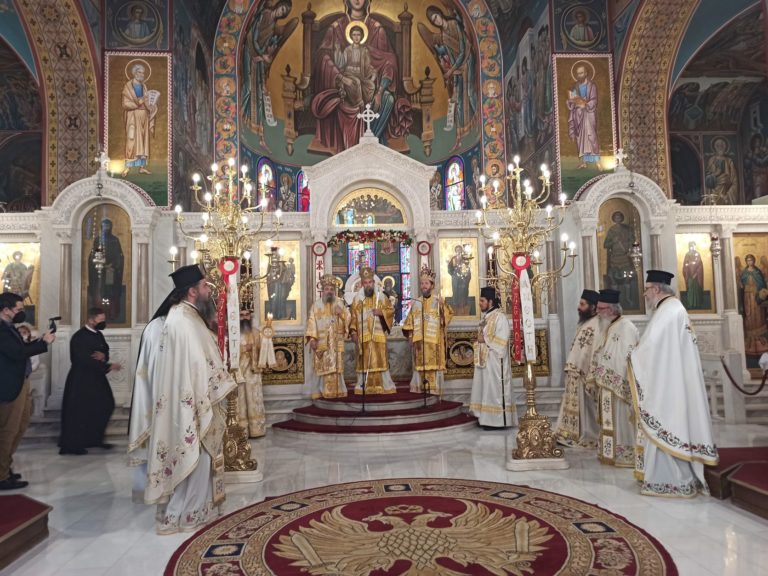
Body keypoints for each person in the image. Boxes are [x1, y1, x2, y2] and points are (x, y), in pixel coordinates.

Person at [128, 264, 236, 533]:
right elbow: (200, 364)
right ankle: (187, 514)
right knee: (195, 457)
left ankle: (184, 513)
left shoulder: (183, 317)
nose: (209, 290)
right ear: (192, 291)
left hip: (183, 401)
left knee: (190, 457)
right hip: (191, 402)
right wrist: (223, 382)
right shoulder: (184, 321)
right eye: (204, 286)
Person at [629, 270, 719, 497]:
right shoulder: (673, 308)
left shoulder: (668, 311)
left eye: (646, 289)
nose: (644, 295)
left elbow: (650, 347)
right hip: (673, 378)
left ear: (656, 289)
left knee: (667, 420)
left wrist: (631, 356)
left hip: (668, 383)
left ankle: (673, 480)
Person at [0, 292, 54, 490]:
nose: (22, 312)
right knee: (8, 430)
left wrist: (40, 341)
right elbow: (17, 353)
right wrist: (43, 343)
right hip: (9, 386)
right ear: (6, 310)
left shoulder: (9, 327)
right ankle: (1, 476)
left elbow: (21, 348)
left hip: (20, 382)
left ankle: (5, 467)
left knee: (20, 426)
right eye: (19, 309)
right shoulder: (1, 329)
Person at [59, 307, 121, 455]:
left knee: (105, 405)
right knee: (80, 411)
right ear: (91, 320)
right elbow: (82, 359)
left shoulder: (98, 334)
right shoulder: (79, 337)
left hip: (97, 378)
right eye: (100, 320)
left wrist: (104, 357)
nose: (103, 322)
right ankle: (73, 445)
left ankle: (94, 439)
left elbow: (104, 350)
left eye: (104, 319)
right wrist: (107, 366)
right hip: (81, 379)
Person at [590, 289, 638, 468]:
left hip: (620, 388)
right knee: (609, 421)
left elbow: (626, 358)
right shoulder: (607, 326)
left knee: (622, 422)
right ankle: (608, 452)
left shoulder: (627, 327)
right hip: (607, 386)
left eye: (600, 309)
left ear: (611, 310)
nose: (597, 312)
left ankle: (625, 455)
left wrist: (612, 377)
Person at [554, 289, 601, 447]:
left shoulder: (597, 325)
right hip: (574, 371)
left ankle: (584, 434)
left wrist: (585, 370)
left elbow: (593, 351)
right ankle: (570, 433)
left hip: (582, 372)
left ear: (593, 307)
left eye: (582, 304)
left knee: (585, 409)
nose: (578, 307)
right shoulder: (586, 323)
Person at [469, 286, 516, 429]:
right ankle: (485, 418)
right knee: (486, 390)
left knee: (494, 390)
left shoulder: (500, 317)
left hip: (496, 362)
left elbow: (502, 339)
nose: (480, 303)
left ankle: (497, 422)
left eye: (482, 301)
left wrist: (484, 340)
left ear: (490, 301)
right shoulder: (486, 317)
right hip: (485, 360)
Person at [402, 266, 453, 394]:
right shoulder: (416, 302)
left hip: (434, 343)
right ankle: (421, 390)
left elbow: (447, 318)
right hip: (419, 343)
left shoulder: (438, 301)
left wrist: (442, 307)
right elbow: (409, 322)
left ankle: (434, 391)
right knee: (421, 366)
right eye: (422, 283)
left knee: (433, 366)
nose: (423, 286)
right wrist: (410, 336)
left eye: (426, 283)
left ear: (432, 285)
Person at [349, 266, 396, 395]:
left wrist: (381, 312)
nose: (368, 285)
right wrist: (353, 332)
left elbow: (391, 311)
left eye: (370, 282)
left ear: (374, 282)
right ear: (362, 284)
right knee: (364, 362)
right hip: (363, 336)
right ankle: (363, 386)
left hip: (378, 336)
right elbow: (353, 317)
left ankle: (384, 385)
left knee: (380, 360)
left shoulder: (382, 298)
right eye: (365, 283)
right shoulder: (357, 300)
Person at [306, 274, 351, 399]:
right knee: (322, 367)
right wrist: (312, 339)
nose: (329, 291)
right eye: (327, 289)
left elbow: (349, 318)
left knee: (336, 367)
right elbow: (311, 322)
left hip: (336, 342)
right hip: (322, 342)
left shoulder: (340, 303)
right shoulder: (316, 305)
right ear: (323, 290)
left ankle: (338, 391)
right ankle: (320, 391)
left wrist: (341, 314)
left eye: (331, 289)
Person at [121, 63, 157, 176]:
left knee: (143, 141)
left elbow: (147, 101)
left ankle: (142, 167)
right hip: (133, 116)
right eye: (140, 72)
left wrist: (151, 106)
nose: (142, 75)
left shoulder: (144, 86)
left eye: (143, 73)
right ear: (135, 73)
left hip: (144, 116)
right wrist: (138, 103)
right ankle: (127, 167)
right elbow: (125, 103)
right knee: (131, 140)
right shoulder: (128, 86)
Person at [88, 218, 125, 321]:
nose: (106, 228)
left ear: (111, 227)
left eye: (108, 226)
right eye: (104, 226)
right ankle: (98, 316)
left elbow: (119, 255)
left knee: (111, 293)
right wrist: (98, 262)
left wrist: (112, 265)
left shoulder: (115, 240)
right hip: (99, 271)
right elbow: (94, 254)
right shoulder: (98, 240)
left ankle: (112, 314)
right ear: (101, 227)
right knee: (99, 292)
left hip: (111, 271)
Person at [566, 62, 600, 169]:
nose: (579, 75)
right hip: (579, 115)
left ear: (586, 73)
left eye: (581, 73)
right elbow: (572, 101)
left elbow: (594, 100)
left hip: (589, 114)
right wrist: (571, 101)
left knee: (591, 136)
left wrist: (586, 104)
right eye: (577, 74)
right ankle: (583, 162)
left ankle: (597, 161)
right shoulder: (575, 87)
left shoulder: (591, 86)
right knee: (580, 138)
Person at [238, 312, 266, 437]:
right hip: (238, 371)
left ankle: (256, 430)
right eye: (241, 315)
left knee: (254, 399)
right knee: (241, 399)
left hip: (253, 371)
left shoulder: (256, 333)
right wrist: (244, 349)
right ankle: (242, 431)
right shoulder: (233, 333)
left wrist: (254, 347)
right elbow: (228, 351)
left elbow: (263, 350)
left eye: (247, 315)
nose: (244, 318)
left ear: (251, 316)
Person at [603, 211, 638, 310]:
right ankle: (616, 301)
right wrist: (613, 241)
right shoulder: (611, 230)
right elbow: (605, 244)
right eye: (616, 217)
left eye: (619, 217)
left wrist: (628, 244)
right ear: (614, 219)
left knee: (627, 279)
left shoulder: (627, 229)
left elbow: (633, 241)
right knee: (613, 279)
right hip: (615, 258)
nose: (617, 219)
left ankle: (628, 299)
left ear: (622, 218)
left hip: (625, 257)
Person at [738, 254, 768, 355]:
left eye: (751, 260)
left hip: (756, 296)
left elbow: (762, 284)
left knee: (757, 314)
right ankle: (749, 338)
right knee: (749, 314)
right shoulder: (744, 272)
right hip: (747, 296)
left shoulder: (757, 272)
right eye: (748, 260)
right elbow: (741, 284)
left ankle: (760, 338)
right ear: (746, 262)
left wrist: (760, 292)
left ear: (754, 261)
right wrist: (740, 285)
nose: (749, 262)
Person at [705, 137, 738, 204]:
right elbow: (708, 177)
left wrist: (728, 194)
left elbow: (734, 179)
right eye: (718, 146)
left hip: (725, 188)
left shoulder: (729, 161)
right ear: (715, 147)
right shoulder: (712, 160)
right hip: (714, 187)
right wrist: (716, 174)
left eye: (722, 145)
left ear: (725, 147)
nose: (720, 147)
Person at [447, 245, 471, 314]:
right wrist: (450, 267)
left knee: (463, 292)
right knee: (455, 291)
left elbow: (468, 268)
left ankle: (463, 308)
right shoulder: (453, 258)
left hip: (463, 279)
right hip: (455, 278)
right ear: (455, 251)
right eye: (457, 249)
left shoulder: (465, 258)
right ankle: (455, 308)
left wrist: (466, 276)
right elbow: (450, 269)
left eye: (459, 249)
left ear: (461, 250)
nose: (458, 251)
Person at [682, 242, 705, 310]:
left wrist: (696, 273)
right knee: (690, 290)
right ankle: (690, 304)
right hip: (689, 276)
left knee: (697, 290)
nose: (692, 247)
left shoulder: (697, 254)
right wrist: (687, 273)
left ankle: (698, 304)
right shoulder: (687, 255)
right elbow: (685, 265)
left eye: (693, 246)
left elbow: (700, 265)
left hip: (697, 277)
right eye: (690, 246)